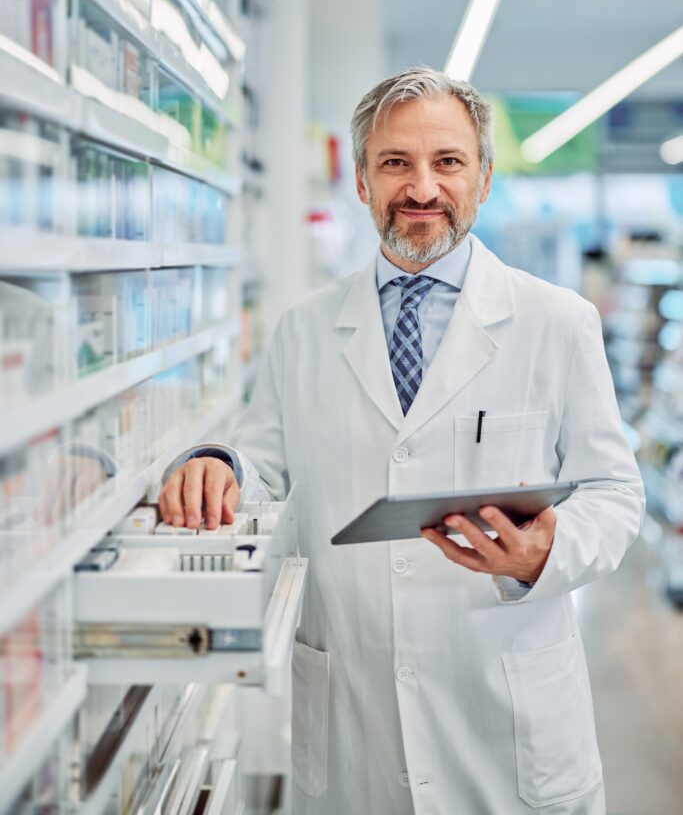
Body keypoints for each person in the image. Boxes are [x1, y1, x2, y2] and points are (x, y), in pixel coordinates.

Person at [159, 67, 644, 815]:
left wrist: (546, 551)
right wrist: (215, 466)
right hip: (356, 716)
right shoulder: (304, 328)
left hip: (506, 718)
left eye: (446, 161)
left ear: (482, 176)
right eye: (394, 163)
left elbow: (613, 494)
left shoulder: (555, 321)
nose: (421, 188)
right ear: (360, 181)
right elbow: (261, 460)